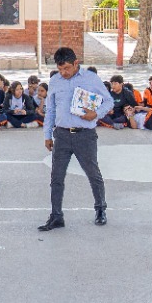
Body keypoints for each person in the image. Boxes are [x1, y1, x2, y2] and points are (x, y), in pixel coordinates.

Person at [41, 46, 113, 231]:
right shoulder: (55, 81)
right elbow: (50, 110)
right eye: (60, 69)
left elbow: (109, 101)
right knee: (56, 177)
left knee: (93, 174)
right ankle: (56, 215)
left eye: (66, 68)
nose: (63, 72)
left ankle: (100, 209)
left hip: (85, 135)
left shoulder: (91, 78)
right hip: (62, 135)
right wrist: (47, 135)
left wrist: (95, 114)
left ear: (76, 63)